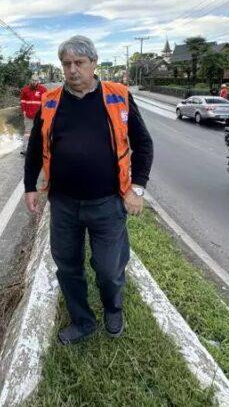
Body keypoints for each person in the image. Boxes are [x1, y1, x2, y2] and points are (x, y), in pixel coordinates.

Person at [24, 36, 154, 345]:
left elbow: (144, 144)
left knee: (109, 268)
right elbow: (34, 148)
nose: (72, 70)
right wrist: (30, 186)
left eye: (79, 63)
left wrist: (137, 189)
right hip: (64, 204)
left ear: (94, 64)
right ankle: (82, 320)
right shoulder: (51, 101)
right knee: (68, 266)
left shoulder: (118, 96)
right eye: (66, 64)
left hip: (108, 203)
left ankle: (113, 307)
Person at [19, 74, 47, 154]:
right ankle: (26, 150)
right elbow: (22, 101)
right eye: (33, 80)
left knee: (40, 132)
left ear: (38, 81)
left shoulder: (43, 89)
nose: (34, 82)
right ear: (30, 80)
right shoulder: (25, 90)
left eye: (36, 80)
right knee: (27, 133)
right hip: (28, 115)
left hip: (40, 116)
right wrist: (23, 111)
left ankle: (41, 149)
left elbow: (47, 102)